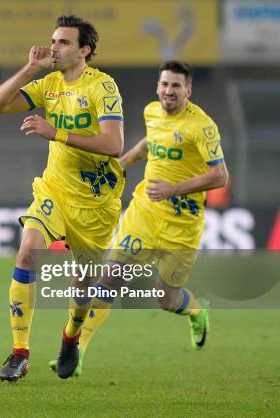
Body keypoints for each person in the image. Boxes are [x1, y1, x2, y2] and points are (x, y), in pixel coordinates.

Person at [49, 60, 229, 377]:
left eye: (175, 85)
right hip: (143, 214)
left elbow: (219, 175)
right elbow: (151, 144)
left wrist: (174, 188)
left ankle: (197, 311)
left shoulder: (202, 126)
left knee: (165, 296)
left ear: (188, 90)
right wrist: (121, 163)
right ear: (158, 87)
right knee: (108, 280)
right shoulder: (150, 112)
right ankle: (77, 354)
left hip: (182, 226)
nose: (168, 91)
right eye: (164, 84)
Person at [0, 15, 125, 381]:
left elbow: (114, 144)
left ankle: (71, 336)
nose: (54, 47)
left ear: (84, 50)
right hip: (55, 190)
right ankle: (19, 352)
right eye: (53, 41)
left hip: (96, 203)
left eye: (63, 42)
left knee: (82, 289)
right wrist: (29, 68)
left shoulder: (103, 87)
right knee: (28, 250)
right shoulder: (48, 83)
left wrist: (55, 132)